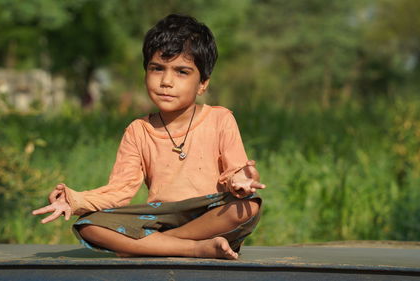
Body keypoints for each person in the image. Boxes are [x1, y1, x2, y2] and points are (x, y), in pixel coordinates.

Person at [32, 14, 265, 260]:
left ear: (203, 84)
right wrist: (74, 200)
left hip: (208, 215)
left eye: (182, 72)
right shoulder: (138, 130)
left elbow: (238, 173)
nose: (166, 81)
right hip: (158, 217)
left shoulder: (220, 119)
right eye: (157, 69)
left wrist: (243, 179)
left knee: (247, 207)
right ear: (146, 72)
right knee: (89, 226)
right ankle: (195, 248)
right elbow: (119, 191)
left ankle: (153, 246)